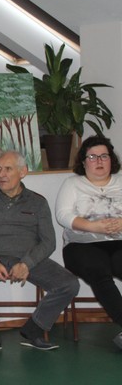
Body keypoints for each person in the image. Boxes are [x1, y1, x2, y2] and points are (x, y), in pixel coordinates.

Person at [0, 150, 79, 354]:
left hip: (28, 259)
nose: (1, 174)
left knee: (69, 284)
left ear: (23, 172)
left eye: (8, 169)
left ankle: (34, 329)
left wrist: (27, 263)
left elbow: (49, 242)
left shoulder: (38, 202)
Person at [55, 134, 122, 350]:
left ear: (111, 159)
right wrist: (94, 226)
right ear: (83, 162)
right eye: (92, 156)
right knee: (98, 270)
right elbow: (63, 215)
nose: (99, 161)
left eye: (104, 156)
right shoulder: (72, 184)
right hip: (81, 244)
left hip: (119, 241)